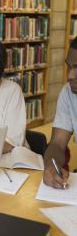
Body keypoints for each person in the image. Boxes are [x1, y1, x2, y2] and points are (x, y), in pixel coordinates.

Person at [43, 37, 77, 189]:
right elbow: (57, 144)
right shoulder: (67, 93)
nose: (69, 75)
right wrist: (51, 166)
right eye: (69, 67)